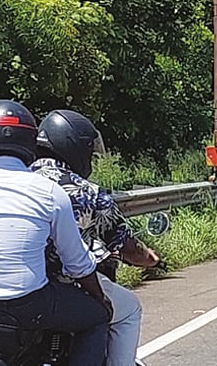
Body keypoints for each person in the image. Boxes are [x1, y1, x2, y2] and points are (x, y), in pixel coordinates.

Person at [0, 100, 112, 366]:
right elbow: (77, 262)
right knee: (97, 317)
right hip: (30, 306)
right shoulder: (49, 192)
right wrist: (100, 298)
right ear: (30, 140)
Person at [31, 109, 163, 366]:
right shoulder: (86, 192)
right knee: (129, 310)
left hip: (19, 288)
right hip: (67, 286)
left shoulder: (13, 180)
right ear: (74, 148)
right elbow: (124, 244)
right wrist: (152, 260)